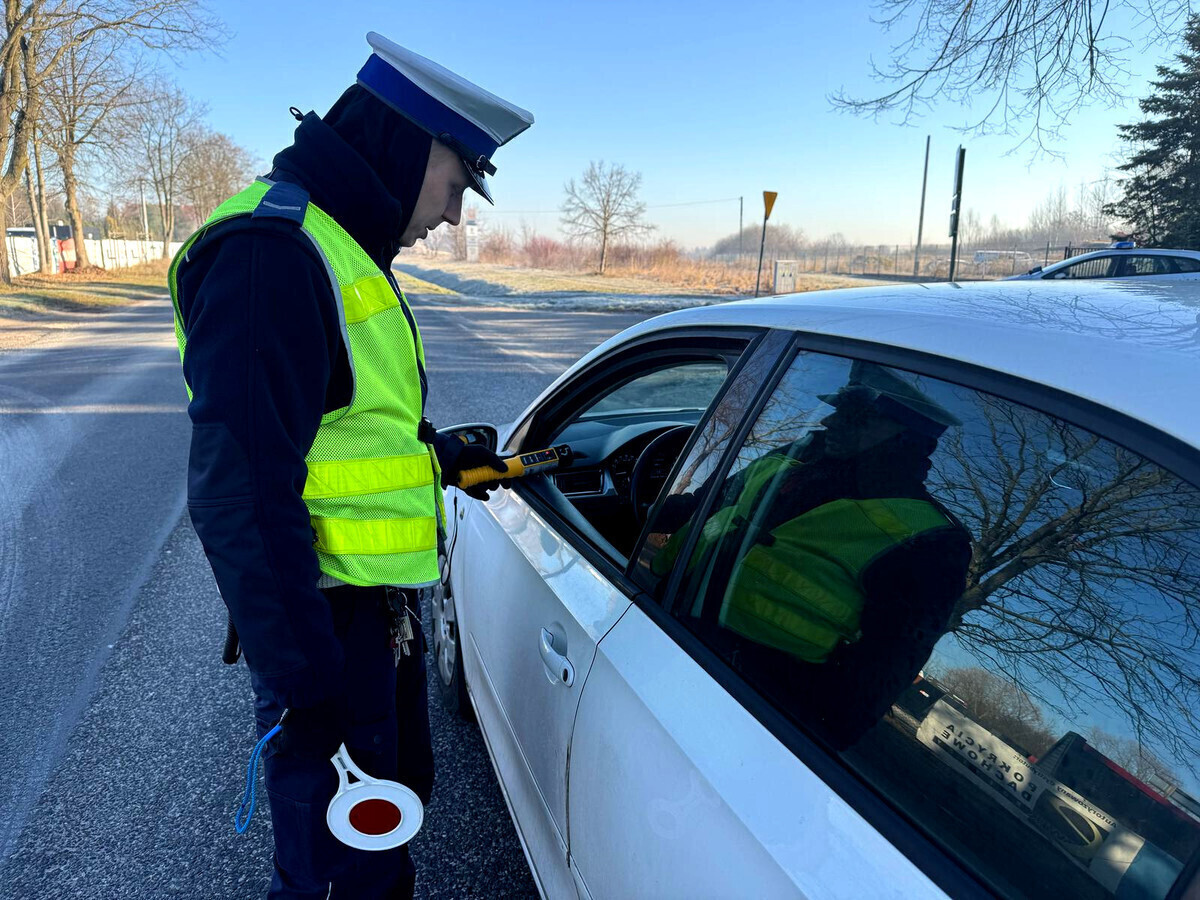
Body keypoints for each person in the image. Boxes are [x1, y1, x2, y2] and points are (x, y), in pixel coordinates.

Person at [167, 33, 532, 899]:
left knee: (382, 843)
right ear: (405, 144)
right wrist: (305, 685)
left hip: (371, 620)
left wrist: (433, 458)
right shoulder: (272, 253)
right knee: (340, 874)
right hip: (325, 632)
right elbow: (238, 495)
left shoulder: (332, 244)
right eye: (457, 183)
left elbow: (336, 432)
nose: (452, 214)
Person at [654, 362, 973, 749]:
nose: (831, 422)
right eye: (837, 409)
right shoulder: (794, 458)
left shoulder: (930, 541)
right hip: (664, 628)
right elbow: (699, 507)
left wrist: (790, 747)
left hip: (744, 709)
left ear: (904, 435)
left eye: (854, 416)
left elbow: (870, 685)